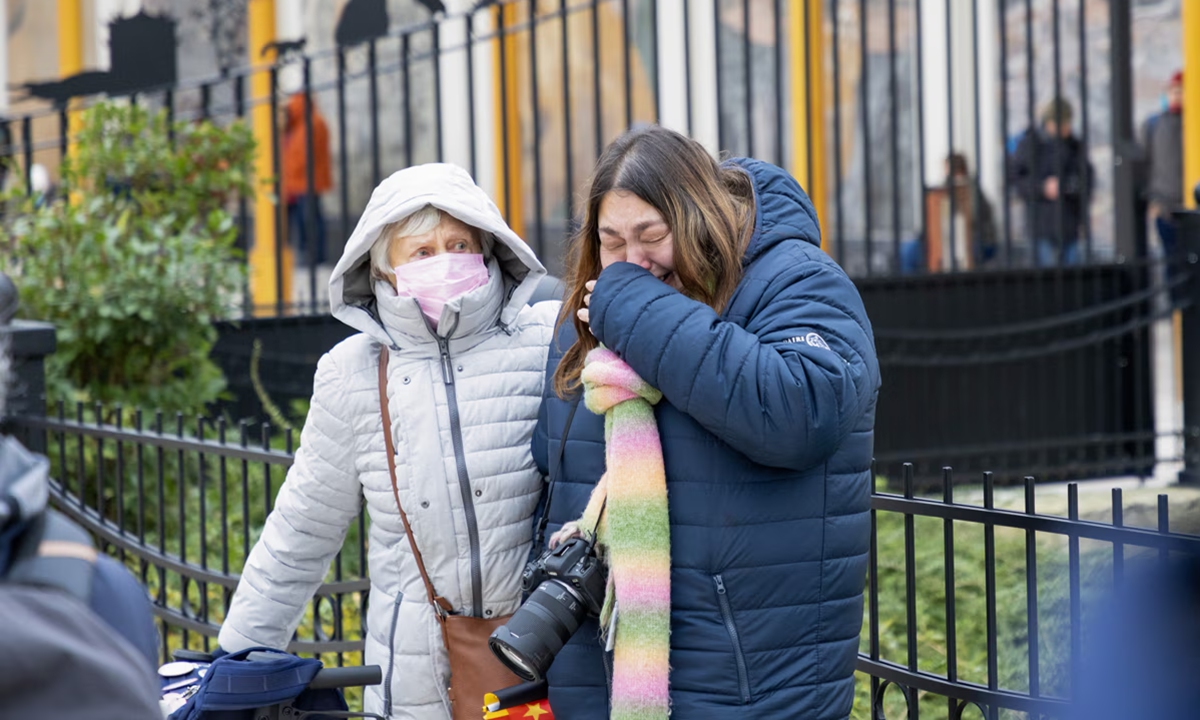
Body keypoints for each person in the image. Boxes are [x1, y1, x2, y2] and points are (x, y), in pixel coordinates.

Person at [531, 125, 880, 718]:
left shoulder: (795, 279)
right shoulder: (588, 320)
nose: (630, 263)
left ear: (699, 218)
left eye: (651, 237)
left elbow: (801, 412)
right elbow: (556, 482)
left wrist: (631, 306)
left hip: (747, 683)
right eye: (611, 241)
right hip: (606, 678)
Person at [218, 163, 560, 719]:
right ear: (385, 268)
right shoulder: (351, 373)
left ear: (487, 249)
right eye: (421, 251)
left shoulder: (544, 339)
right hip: (411, 674)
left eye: (459, 244)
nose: (444, 260)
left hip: (544, 657)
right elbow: (303, 526)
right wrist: (239, 657)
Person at [1011, 97, 1093, 267]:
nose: (1067, 127)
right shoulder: (1031, 144)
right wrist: (1042, 188)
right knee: (1046, 279)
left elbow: (1087, 178)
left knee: (1072, 280)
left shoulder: (1075, 146)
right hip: (1042, 225)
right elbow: (1018, 181)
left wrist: (1071, 186)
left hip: (1069, 223)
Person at [282, 92, 334, 266]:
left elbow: (300, 157)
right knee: (305, 221)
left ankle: (315, 256)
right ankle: (311, 255)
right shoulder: (299, 125)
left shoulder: (311, 123)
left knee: (310, 221)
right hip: (299, 183)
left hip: (305, 183)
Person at [1142, 71, 1184, 264]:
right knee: (1171, 261)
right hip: (1165, 205)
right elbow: (1146, 164)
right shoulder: (1154, 125)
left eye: (1182, 91)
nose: (1178, 96)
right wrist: (1154, 199)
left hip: (1190, 204)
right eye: (1174, 91)